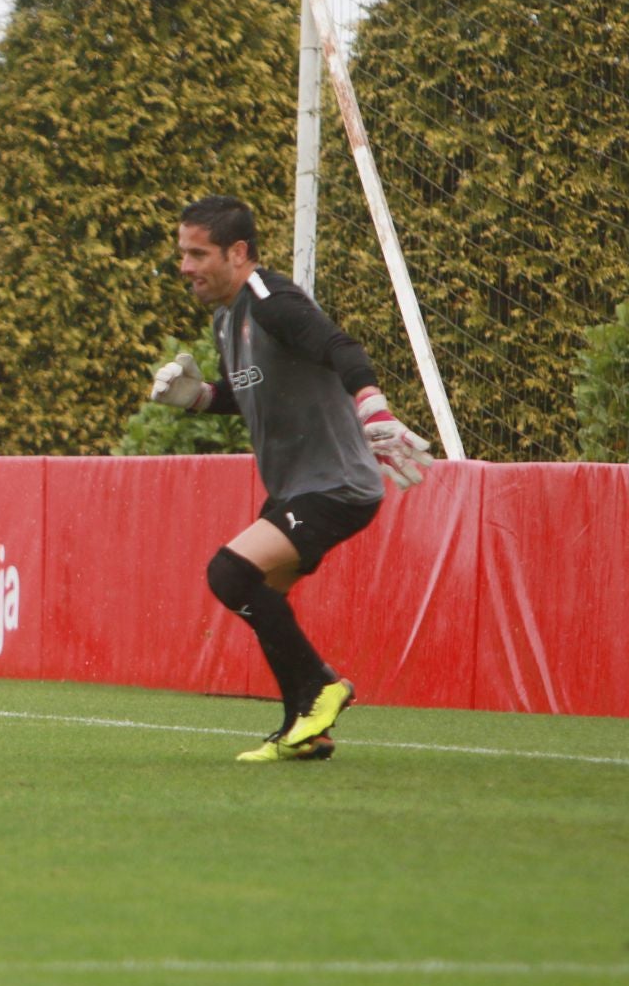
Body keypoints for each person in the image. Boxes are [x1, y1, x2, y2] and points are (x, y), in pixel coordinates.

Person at [151, 195, 433, 761]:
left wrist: (373, 409)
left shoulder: (271, 300)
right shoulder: (227, 315)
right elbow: (252, 391)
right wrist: (201, 398)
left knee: (229, 574)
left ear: (237, 252)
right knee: (261, 595)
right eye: (182, 252)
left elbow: (340, 347)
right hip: (299, 489)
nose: (184, 266)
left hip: (338, 487)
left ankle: (324, 687)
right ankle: (305, 730)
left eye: (197, 253)